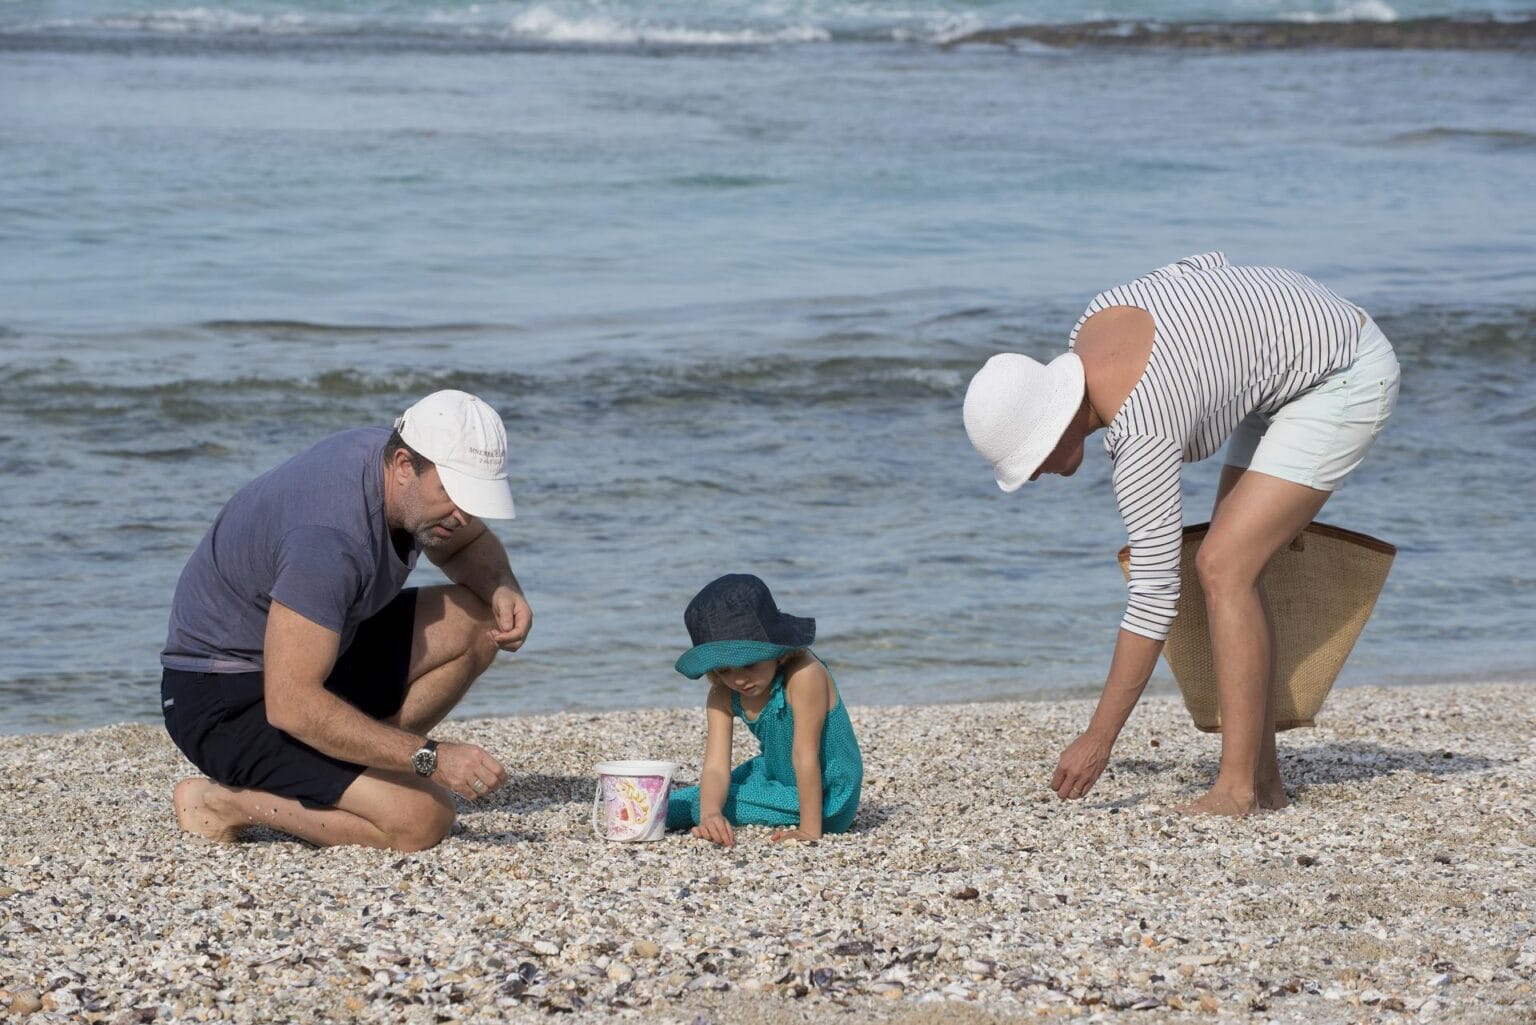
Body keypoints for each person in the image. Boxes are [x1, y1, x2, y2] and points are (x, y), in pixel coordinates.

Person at [962, 252, 1400, 816]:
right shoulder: (1095, 323)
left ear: (1055, 423)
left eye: (1031, 459)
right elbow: (1200, 265)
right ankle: (1263, 785)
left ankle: (1236, 791)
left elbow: (1153, 597)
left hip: (1344, 371)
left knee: (1223, 567)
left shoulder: (1142, 426)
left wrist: (1099, 738)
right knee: (1232, 565)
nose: (1036, 474)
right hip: (1306, 348)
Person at [160, 389, 533, 850]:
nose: (464, 515)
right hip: (223, 701)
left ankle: (362, 771)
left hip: (320, 652)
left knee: (479, 622)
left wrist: (501, 585)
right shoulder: (329, 539)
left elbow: (465, 545)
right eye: (455, 494)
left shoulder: (401, 469)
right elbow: (291, 703)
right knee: (423, 820)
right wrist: (430, 760)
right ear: (402, 465)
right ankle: (222, 803)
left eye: (474, 498)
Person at [666, 574, 863, 846]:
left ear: (776, 650)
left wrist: (809, 831)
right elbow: (715, 768)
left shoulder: (804, 676)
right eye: (724, 670)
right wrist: (711, 813)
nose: (739, 680)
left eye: (749, 663)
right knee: (704, 801)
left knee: (694, 803)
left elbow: (805, 754)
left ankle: (653, 814)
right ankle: (651, 811)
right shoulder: (723, 694)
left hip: (827, 795)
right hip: (774, 772)